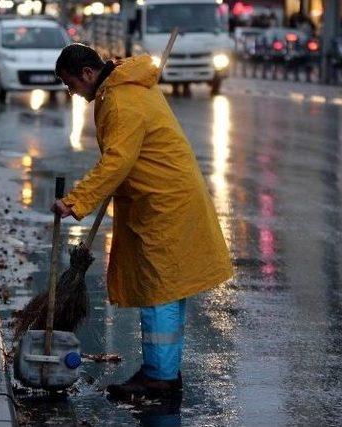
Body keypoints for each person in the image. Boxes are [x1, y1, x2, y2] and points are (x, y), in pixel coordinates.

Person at [52, 44, 233, 399]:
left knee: (158, 290)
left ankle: (159, 378)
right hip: (164, 197)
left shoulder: (121, 100)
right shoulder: (123, 89)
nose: (73, 93)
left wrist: (75, 201)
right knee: (168, 289)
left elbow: (117, 162)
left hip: (163, 204)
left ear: (89, 73)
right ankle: (162, 370)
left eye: (71, 85)